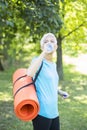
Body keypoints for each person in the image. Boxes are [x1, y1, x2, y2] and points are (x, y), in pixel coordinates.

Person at [27, 33, 69, 130]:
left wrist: (60, 92)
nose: (49, 43)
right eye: (46, 42)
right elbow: (29, 73)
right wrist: (44, 53)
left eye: (52, 41)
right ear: (42, 47)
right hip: (42, 112)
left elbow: (50, 83)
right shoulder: (37, 61)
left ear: (56, 46)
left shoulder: (53, 65)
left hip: (54, 112)